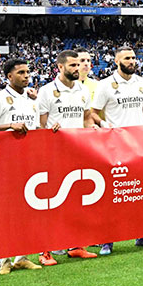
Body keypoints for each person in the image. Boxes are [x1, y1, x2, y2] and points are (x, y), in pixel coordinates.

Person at [91, 46, 143, 253]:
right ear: (117, 61)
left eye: (133, 57)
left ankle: (142, 236)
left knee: (141, 193)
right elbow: (94, 113)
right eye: (127, 58)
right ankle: (108, 240)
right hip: (115, 146)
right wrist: (106, 126)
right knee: (114, 195)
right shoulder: (105, 85)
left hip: (140, 145)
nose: (132, 61)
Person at [0, 58, 43, 274]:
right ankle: (4, 259)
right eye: (21, 73)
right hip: (4, 163)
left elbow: (34, 130)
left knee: (26, 209)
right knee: (5, 211)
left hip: (28, 161)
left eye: (28, 72)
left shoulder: (33, 100)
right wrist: (9, 126)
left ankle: (22, 257)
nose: (26, 76)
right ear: (9, 77)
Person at [36, 50, 98, 265]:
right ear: (60, 67)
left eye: (79, 64)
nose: (77, 68)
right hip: (53, 153)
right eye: (72, 65)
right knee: (51, 201)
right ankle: (45, 250)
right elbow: (40, 126)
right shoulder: (46, 91)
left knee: (77, 200)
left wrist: (93, 131)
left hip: (78, 152)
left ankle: (76, 246)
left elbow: (87, 118)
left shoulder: (83, 90)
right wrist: (48, 131)